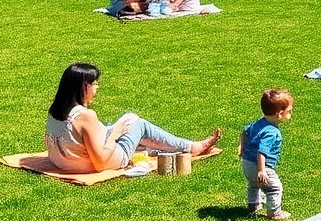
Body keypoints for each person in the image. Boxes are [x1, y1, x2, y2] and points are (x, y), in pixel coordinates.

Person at [44, 62, 221, 174]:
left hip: (65, 163)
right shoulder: (85, 116)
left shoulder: (56, 110)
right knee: (139, 125)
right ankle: (192, 147)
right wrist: (115, 134)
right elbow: (99, 163)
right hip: (97, 163)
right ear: (84, 86)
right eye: (95, 84)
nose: (97, 89)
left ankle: (168, 147)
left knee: (129, 119)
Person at [238, 89, 294, 221]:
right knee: (274, 188)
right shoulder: (271, 132)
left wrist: (242, 147)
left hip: (246, 163)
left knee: (253, 184)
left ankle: (253, 205)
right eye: (289, 111)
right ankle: (274, 213)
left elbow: (244, 132)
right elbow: (261, 151)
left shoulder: (259, 123)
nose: (291, 113)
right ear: (279, 114)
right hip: (260, 166)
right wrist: (262, 170)